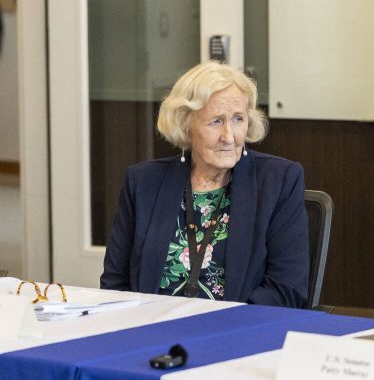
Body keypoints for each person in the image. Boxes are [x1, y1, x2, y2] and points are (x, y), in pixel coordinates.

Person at [100, 61, 309, 307]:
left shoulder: (279, 181)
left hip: (237, 326)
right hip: (153, 325)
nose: (229, 137)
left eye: (238, 119)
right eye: (216, 122)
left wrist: (226, 324)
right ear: (186, 125)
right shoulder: (143, 182)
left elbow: (286, 289)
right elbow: (115, 285)